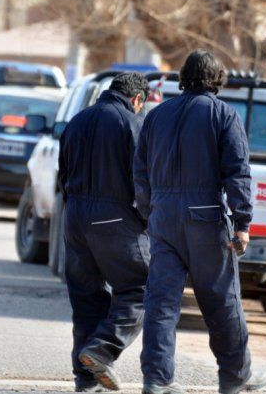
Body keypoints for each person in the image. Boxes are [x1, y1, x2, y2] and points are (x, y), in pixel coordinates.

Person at [134, 50, 266, 394]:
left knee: (161, 303)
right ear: (217, 79)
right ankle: (235, 376)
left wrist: (151, 212)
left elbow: (140, 170)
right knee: (222, 300)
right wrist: (242, 223)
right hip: (205, 217)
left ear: (184, 77)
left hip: (163, 219)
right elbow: (237, 172)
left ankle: (157, 379)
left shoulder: (156, 116)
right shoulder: (223, 115)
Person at [58, 72, 151, 392]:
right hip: (115, 220)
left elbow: (63, 174)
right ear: (137, 100)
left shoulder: (77, 121)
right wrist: (148, 220)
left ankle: (86, 380)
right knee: (144, 288)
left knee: (86, 299)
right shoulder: (131, 123)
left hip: (74, 219)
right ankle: (103, 348)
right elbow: (142, 180)